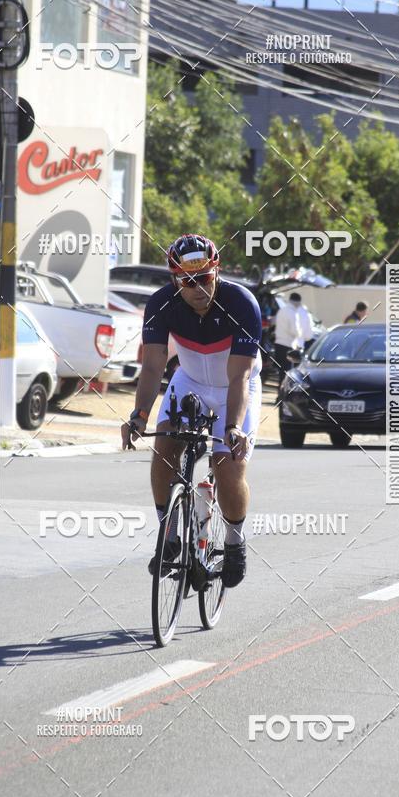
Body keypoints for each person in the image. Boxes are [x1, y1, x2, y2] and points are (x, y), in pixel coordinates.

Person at [121, 234, 263, 589]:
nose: (198, 288)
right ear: (174, 280)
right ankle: (168, 535)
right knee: (164, 450)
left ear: (217, 272)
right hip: (190, 381)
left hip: (236, 385)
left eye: (205, 278)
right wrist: (138, 415)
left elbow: (240, 375)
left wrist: (232, 427)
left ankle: (234, 542)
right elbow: (154, 367)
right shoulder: (160, 304)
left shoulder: (242, 303)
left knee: (228, 467)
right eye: (188, 281)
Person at [273, 292, 314, 383]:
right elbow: (295, 331)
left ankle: (280, 393)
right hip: (288, 346)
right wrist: (300, 335)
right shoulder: (293, 313)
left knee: (281, 371)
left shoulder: (281, 310)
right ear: (298, 302)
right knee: (290, 373)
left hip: (278, 344)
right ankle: (285, 394)